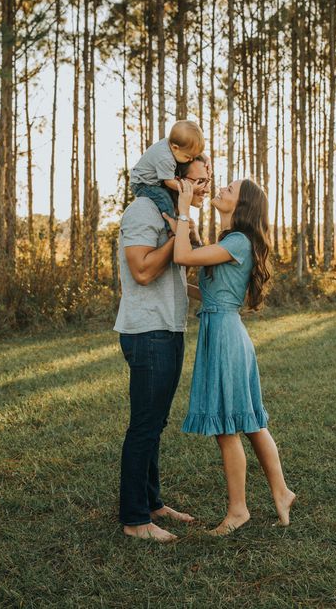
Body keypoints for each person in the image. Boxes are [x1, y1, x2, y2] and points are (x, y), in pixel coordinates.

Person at [163, 178, 296, 536]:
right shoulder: (230, 242)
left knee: (228, 427)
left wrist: (183, 209)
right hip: (223, 331)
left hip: (225, 337)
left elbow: (182, 257)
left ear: (242, 205)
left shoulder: (237, 241)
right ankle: (281, 492)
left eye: (230, 189)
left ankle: (238, 511)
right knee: (251, 423)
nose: (221, 189)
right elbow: (206, 292)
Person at [115, 155, 211, 543]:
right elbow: (141, 271)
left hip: (170, 328)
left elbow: (171, 278)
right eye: (198, 180)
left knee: (156, 424)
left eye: (208, 180)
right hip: (147, 331)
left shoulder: (173, 215)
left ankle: (152, 503)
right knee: (144, 427)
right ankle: (135, 519)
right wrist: (178, 233)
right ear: (176, 181)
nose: (204, 187)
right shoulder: (142, 211)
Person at [130, 120, 205, 228]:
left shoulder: (173, 144)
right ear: (175, 147)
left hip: (150, 180)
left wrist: (206, 158)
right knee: (164, 198)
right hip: (142, 184)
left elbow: (189, 148)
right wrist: (190, 189)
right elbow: (169, 182)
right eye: (188, 157)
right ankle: (170, 226)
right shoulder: (166, 158)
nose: (191, 160)